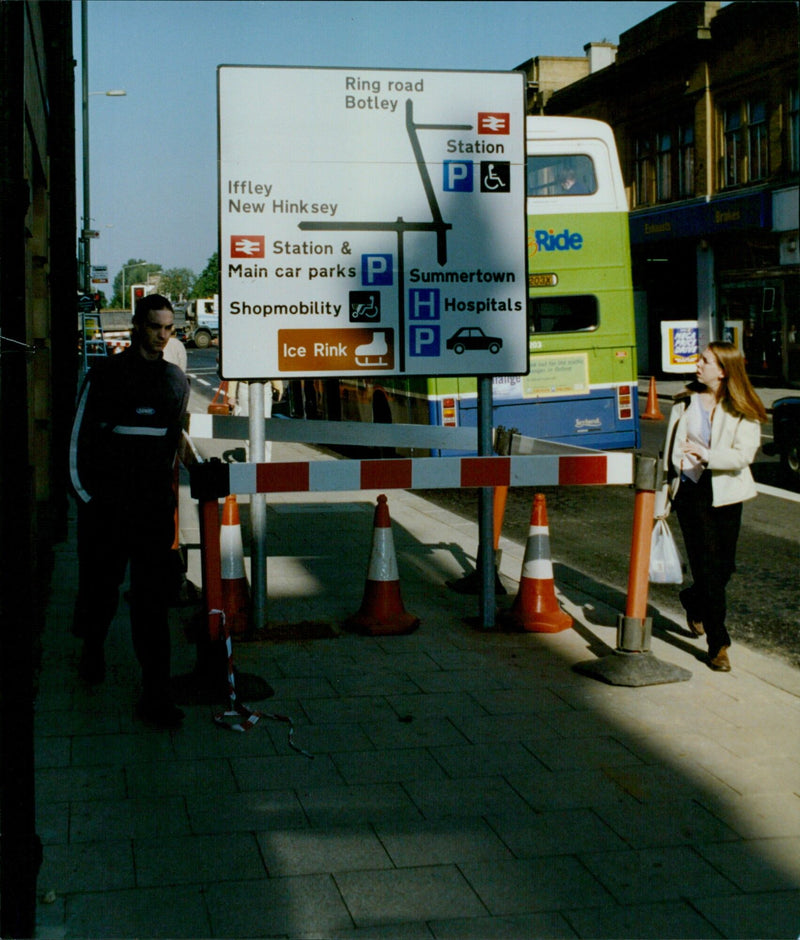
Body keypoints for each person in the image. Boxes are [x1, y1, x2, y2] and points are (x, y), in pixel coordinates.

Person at [69, 293, 190, 727]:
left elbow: (172, 446)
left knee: (152, 605)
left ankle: (156, 696)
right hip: (107, 513)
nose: (162, 336)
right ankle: (93, 648)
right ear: (138, 325)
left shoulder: (176, 381)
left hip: (152, 516)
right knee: (100, 592)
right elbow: (76, 442)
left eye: (169, 329)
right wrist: (87, 500)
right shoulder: (105, 374)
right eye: (156, 326)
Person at [661, 341, 766, 672]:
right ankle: (718, 644)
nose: (698, 365)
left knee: (724, 568)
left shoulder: (742, 407)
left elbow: (744, 454)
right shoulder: (683, 404)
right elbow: (668, 455)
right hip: (691, 493)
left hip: (727, 492)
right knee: (706, 566)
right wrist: (663, 495)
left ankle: (693, 601)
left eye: (704, 361)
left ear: (723, 370)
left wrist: (709, 456)